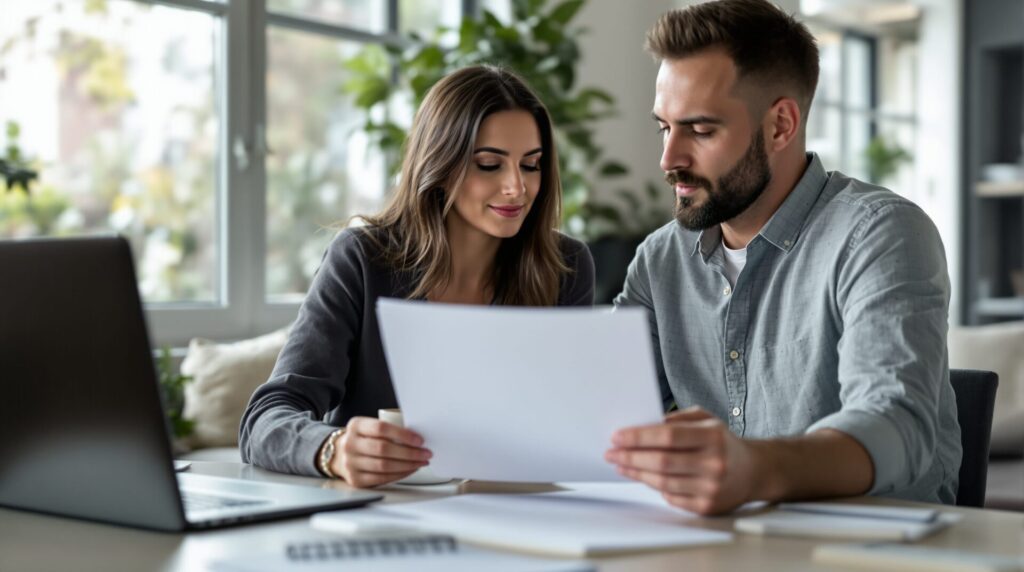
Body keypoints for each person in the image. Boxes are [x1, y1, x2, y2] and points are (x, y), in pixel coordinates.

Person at [605, 0, 961, 515]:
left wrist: (753, 469)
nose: (669, 159)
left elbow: (896, 427)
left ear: (780, 126)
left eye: (700, 131)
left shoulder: (880, 234)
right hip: (722, 544)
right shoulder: (662, 259)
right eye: (665, 127)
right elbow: (604, 409)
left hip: (874, 548)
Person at [240, 65, 595, 487]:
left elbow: (571, 424)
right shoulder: (363, 260)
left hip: (515, 512)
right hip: (381, 519)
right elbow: (265, 418)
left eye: (531, 165)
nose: (516, 187)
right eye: (488, 164)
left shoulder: (565, 267)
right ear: (440, 163)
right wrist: (331, 449)